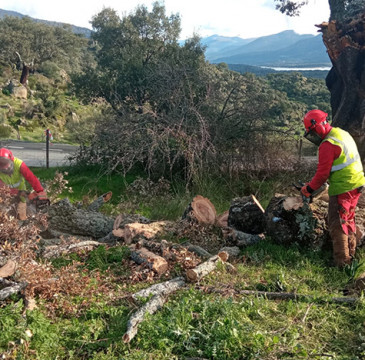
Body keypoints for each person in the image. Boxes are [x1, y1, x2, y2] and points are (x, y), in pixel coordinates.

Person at [301, 109, 365, 267]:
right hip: (357, 183)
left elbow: (322, 175)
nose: (314, 136)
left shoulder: (327, 144)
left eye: (313, 132)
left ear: (318, 126)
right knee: (348, 220)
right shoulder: (340, 133)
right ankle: (351, 255)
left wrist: (308, 189)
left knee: (336, 223)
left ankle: (342, 263)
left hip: (343, 187)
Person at [0, 148, 47, 220]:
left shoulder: (19, 164)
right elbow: (2, 188)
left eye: (6, 163)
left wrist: (40, 191)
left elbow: (31, 178)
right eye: (1, 164)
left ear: (11, 159)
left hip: (21, 190)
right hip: (6, 194)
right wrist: (19, 193)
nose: (5, 168)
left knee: (22, 213)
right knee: (6, 214)